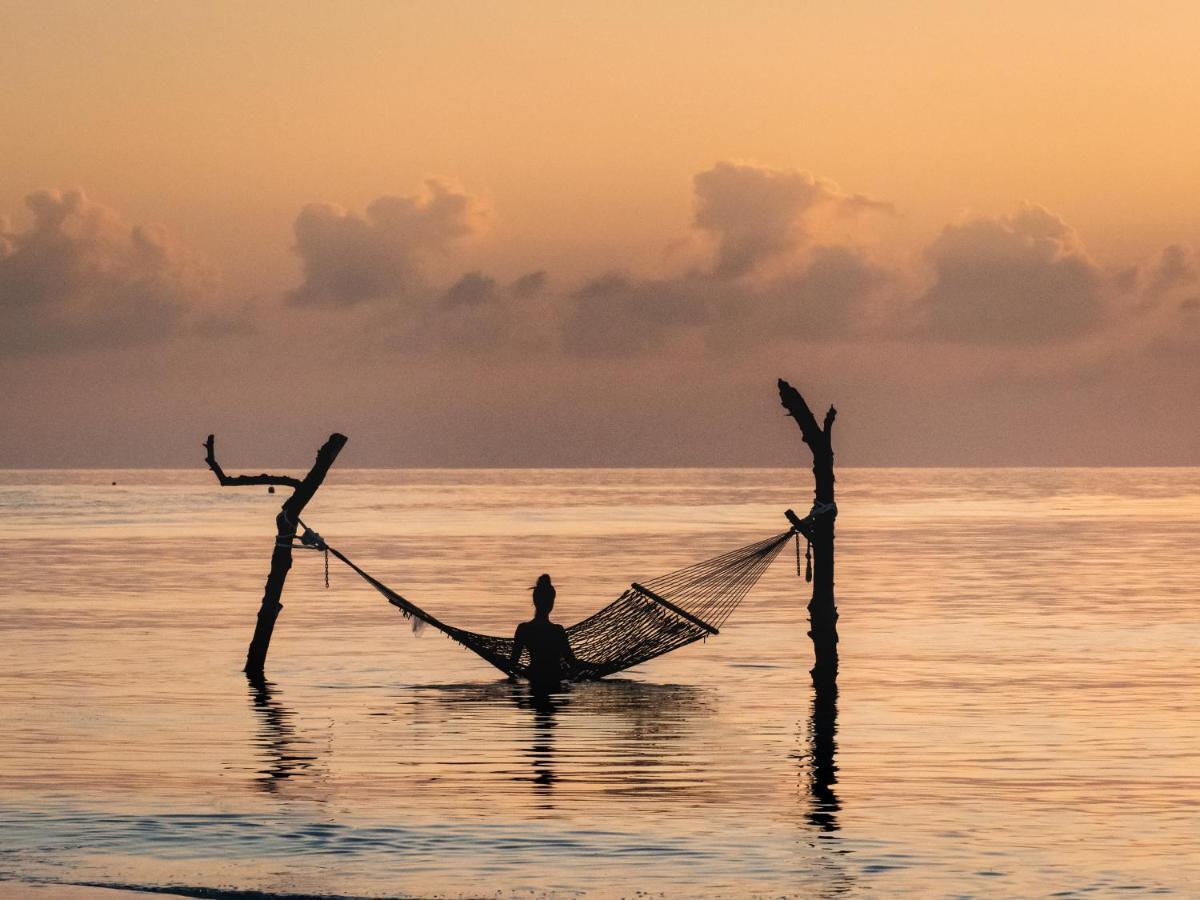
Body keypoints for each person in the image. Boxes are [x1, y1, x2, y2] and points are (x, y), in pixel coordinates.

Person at [509, 574, 578, 691]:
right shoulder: (557, 631)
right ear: (551, 604)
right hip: (556, 679)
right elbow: (573, 663)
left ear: (535, 601)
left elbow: (512, 665)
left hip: (534, 677)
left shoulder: (524, 629)